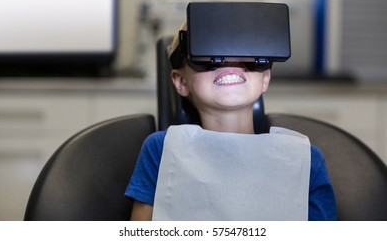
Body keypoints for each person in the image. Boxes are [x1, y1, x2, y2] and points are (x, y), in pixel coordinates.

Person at [125, 20, 337, 221]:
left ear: (265, 77)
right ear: (181, 81)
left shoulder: (304, 160)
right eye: (208, 52)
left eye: (245, 49)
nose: (229, 61)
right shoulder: (160, 150)